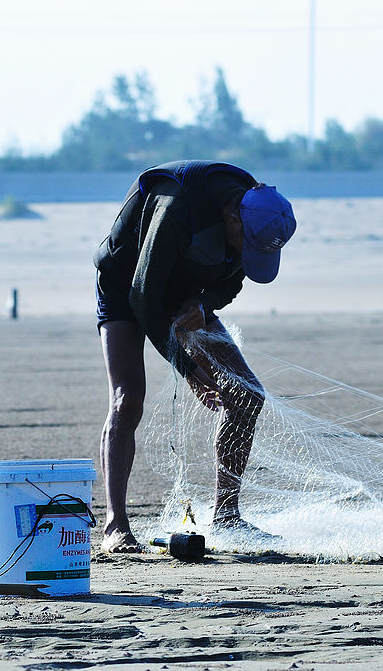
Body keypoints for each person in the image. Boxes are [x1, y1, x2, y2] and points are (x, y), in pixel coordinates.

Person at [94, 160, 296, 553]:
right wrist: (187, 370)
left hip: (184, 291)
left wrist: (203, 306)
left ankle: (227, 516)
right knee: (127, 398)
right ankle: (115, 525)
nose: (247, 254)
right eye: (248, 246)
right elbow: (143, 295)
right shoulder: (178, 206)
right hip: (125, 284)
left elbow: (230, 283)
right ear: (232, 217)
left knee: (246, 393)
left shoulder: (255, 220)